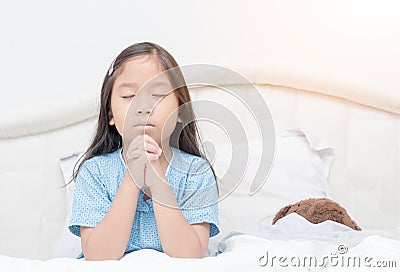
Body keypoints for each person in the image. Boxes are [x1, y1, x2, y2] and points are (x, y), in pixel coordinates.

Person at [68, 42, 219, 261]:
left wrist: (156, 178)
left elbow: (190, 256)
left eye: (158, 96)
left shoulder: (195, 171)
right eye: (129, 96)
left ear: (179, 110)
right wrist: (133, 178)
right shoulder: (94, 172)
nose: (143, 107)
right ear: (110, 114)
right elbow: (98, 258)